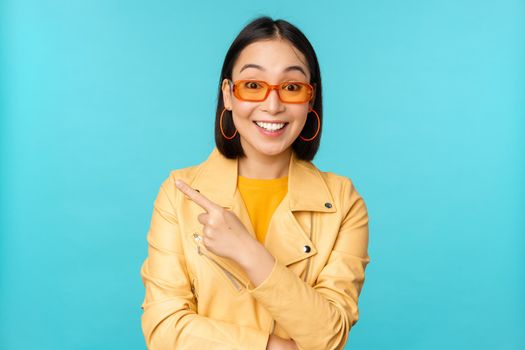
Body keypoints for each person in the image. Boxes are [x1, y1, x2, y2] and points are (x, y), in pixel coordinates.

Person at [140, 16, 371, 350]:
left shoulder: (342, 201)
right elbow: (163, 329)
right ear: (228, 95)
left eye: (291, 87)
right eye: (253, 85)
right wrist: (273, 346)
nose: (273, 105)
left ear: (310, 99)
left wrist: (248, 252)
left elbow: (329, 336)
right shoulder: (179, 193)